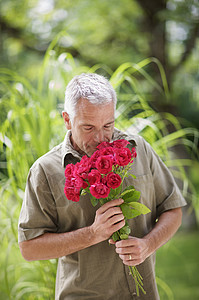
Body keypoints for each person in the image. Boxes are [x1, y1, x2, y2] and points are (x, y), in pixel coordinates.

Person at [18, 73, 186, 300]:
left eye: (108, 125)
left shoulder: (138, 149)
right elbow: (29, 248)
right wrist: (92, 234)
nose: (101, 138)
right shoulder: (45, 171)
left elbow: (173, 209)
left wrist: (148, 245)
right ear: (67, 119)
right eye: (88, 127)